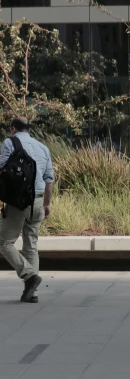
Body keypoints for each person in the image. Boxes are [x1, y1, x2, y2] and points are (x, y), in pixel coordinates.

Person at [0, 117, 54, 303]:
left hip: (18, 202)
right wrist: (47, 204)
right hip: (38, 200)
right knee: (31, 245)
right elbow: (49, 179)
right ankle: (32, 293)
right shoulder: (42, 147)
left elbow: (2, 169)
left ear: (13, 128)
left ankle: (29, 275)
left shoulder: (10, 142)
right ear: (28, 129)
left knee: (3, 242)